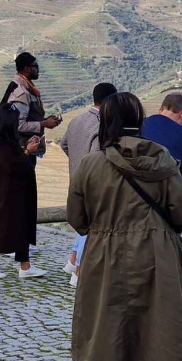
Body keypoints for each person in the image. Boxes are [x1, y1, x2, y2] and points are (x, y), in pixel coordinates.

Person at [67, 92, 182, 361]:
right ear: (140, 119)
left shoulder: (91, 165)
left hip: (104, 260)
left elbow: (78, 219)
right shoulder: (163, 160)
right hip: (156, 259)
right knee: (150, 339)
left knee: (112, 332)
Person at [0, 84, 44, 279]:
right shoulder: (3, 144)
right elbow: (12, 166)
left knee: (20, 225)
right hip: (8, 193)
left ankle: (25, 266)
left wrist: (26, 147)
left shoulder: (7, 141)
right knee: (3, 228)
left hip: (16, 191)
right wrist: (28, 152)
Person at [58, 82, 117, 287]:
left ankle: (73, 260)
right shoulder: (102, 125)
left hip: (75, 178)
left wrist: (76, 160)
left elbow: (64, 144)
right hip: (93, 182)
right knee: (92, 226)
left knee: (83, 222)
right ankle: (79, 272)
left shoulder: (77, 120)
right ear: (110, 101)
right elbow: (97, 155)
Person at [8, 52, 61, 158]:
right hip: (22, 151)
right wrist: (44, 123)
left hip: (27, 149)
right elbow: (19, 125)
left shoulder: (27, 88)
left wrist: (47, 121)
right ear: (27, 68)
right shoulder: (21, 92)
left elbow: (28, 117)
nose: (38, 69)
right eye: (36, 66)